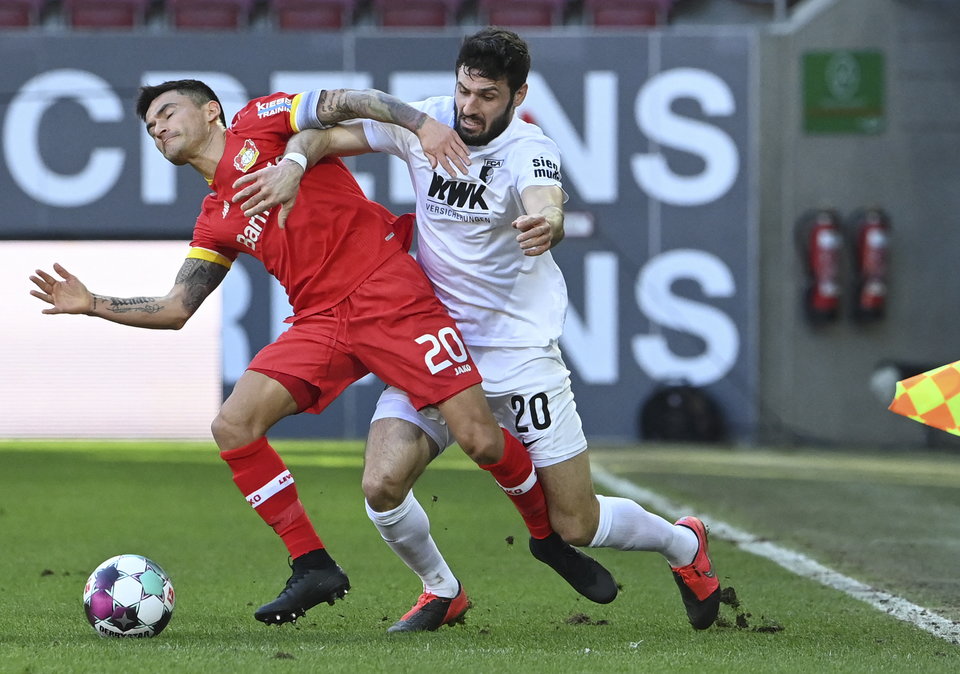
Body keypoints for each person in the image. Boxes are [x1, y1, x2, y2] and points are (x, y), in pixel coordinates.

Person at [28, 78, 610, 626]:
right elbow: (177, 308)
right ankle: (312, 565)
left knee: (481, 439)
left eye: (166, 113)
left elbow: (349, 101)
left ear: (211, 111)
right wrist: (93, 302)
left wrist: (421, 126)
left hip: (388, 294)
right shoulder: (215, 218)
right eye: (150, 126)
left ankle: (545, 539)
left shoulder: (261, 122)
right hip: (321, 322)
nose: (157, 129)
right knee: (233, 425)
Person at [231, 27, 722, 631]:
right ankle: (441, 589)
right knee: (382, 484)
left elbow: (547, 200)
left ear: (517, 96)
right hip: (433, 339)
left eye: (487, 96)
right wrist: (296, 162)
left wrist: (548, 224)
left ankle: (682, 546)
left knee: (578, 524)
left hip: (518, 351)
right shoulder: (430, 123)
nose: (470, 106)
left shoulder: (529, 149)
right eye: (464, 89)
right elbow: (323, 132)